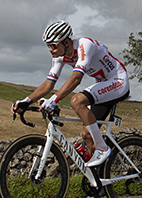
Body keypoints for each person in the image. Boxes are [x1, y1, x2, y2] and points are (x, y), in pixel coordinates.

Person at [12, 21, 129, 172]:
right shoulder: (59, 56)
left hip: (118, 81)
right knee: (87, 134)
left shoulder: (84, 45)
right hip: (103, 84)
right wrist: (26, 101)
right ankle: (97, 182)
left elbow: (76, 78)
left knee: (77, 101)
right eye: (48, 46)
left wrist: (54, 100)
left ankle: (102, 149)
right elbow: (48, 84)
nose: (50, 50)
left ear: (66, 42)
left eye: (53, 45)